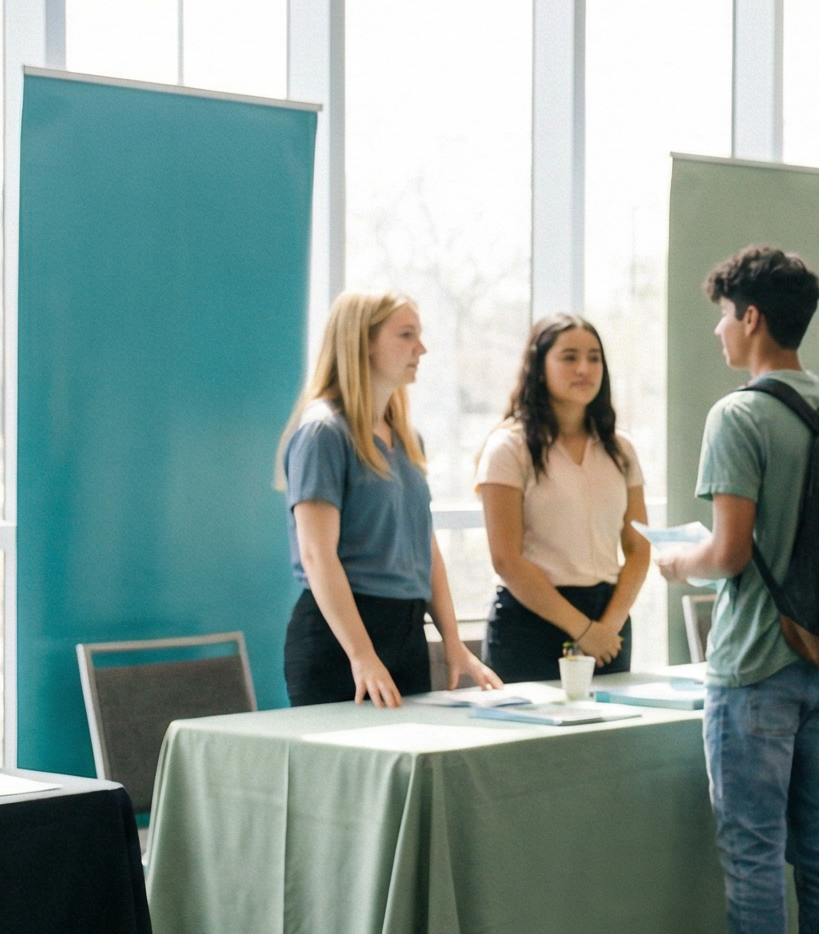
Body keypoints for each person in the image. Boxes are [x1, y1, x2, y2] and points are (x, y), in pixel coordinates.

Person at [649, 245, 819, 934]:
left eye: (724, 314)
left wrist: (675, 564)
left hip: (753, 665)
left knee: (751, 853)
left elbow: (729, 551)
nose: (717, 331)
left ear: (752, 318)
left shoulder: (737, 417)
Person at [277, 290, 500, 706]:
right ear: (364, 342)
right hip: (340, 642)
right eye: (406, 335)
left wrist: (452, 642)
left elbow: (425, 546)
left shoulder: (407, 440)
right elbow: (316, 555)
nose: (422, 348)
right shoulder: (323, 433)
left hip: (406, 634)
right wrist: (361, 656)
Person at [474, 315, 651, 682]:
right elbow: (506, 559)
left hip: (608, 622)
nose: (584, 368)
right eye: (569, 357)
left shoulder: (621, 449)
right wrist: (583, 631)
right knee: (533, 741)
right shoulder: (509, 447)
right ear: (539, 368)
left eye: (594, 357)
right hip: (530, 621)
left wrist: (607, 627)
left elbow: (639, 548)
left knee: (608, 739)